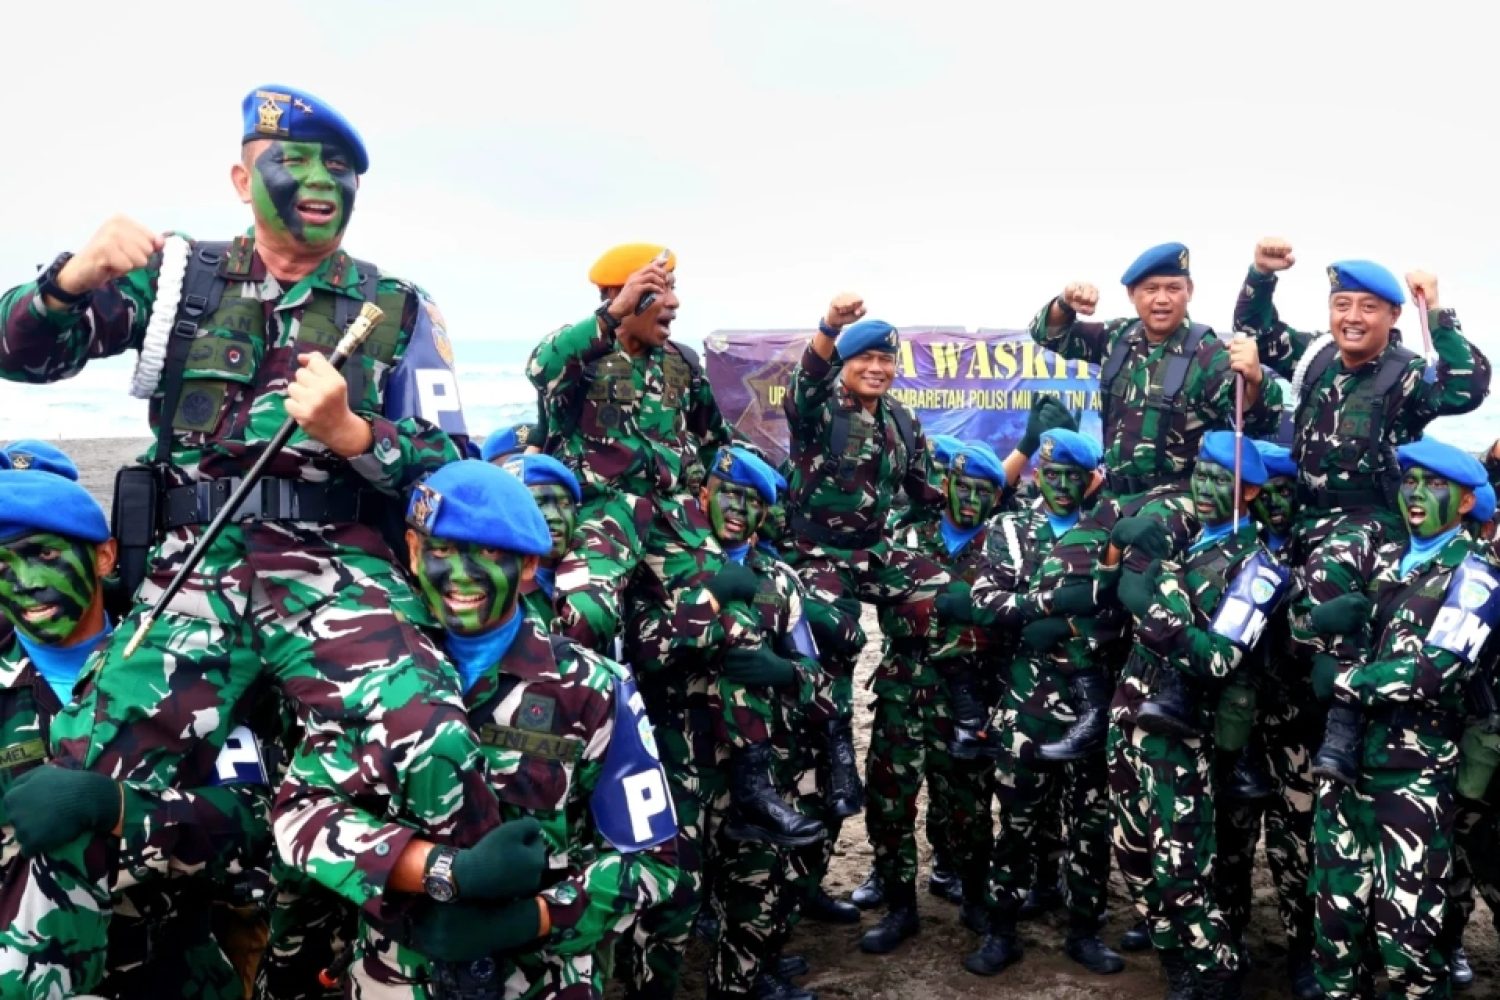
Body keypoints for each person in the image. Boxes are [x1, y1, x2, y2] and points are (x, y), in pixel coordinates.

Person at [0, 85, 497, 995]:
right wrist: (68, 279)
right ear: (241, 180)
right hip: (191, 571)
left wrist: (357, 434)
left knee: (433, 743)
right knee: (72, 780)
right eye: (291, 162)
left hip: (338, 573)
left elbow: (457, 472)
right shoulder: (177, 279)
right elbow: (23, 355)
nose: (320, 181)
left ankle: (417, 964)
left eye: (339, 167)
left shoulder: (398, 307)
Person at [289, 459, 679, 997]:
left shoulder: (593, 688)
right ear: (412, 551)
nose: (462, 573)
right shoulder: (366, 674)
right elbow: (302, 811)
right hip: (395, 976)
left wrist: (533, 918)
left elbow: (653, 861)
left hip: (540, 979)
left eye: (490, 553)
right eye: (442, 550)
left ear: (528, 565)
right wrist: (436, 869)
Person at [0, 449, 275, 999]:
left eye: (45, 554)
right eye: (2, 566)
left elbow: (257, 829)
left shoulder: (193, 668)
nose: (24, 582)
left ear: (104, 556)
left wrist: (123, 810)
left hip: (177, 974)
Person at [1231, 242, 1490, 783]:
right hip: (1303, 516)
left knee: (1331, 583)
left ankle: (1345, 721)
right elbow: (1257, 329)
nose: (1352, 317)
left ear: (1393, 316)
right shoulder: (1316, 359)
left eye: (1369, 307)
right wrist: (1261, 274)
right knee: (1244, 584)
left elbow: (1468, 386)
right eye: (1342, 304)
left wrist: (1437, 309)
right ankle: (1247, 731)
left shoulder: (1407, 374)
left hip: (1369, 524)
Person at [1304, 437, 1498, 999]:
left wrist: (1345, 680)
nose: (1417, 493)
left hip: (1412, 778)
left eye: (1435, 484)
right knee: (1335, 927)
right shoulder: (1380, 559)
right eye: (1410, 481)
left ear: (1466, 502)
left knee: (1408, 941)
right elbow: (1313, 626)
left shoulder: (1475, 576)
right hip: (1344, 769)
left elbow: (1437, 671)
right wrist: (1317, 627)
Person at [1108, 431, 1285, 1000]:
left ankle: (1218, 969)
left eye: (1221, 480)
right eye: (1201, 475)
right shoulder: (1179, 539)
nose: (1205, 488)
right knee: (1133, 858)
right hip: (1130, 718)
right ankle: (1178, 964)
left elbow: (1217, 659)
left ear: (1249, 492)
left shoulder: (1257, 569)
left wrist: (1156, 592)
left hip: (1184, 739)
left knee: (1180, 871)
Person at [949, 429, 1125, 978]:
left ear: (1091, 479)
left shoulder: (1109, 529)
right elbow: (984, 601)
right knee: (1017, 820)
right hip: (1027, 699)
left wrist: (1072, 625)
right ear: (1037, 476)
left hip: (1092, 700)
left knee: (1091, 823)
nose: (1062, 487)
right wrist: (1048, 606)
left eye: (1073, 477)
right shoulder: (1011, 528)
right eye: (1052, 476)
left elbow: (1122, 609)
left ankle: (1084, 930)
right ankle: (1002, 931)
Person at [526, 243, 733, 651]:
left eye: (674, 288)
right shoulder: (580, 353)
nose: (674, 302)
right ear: (618, 295)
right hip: (602, 517)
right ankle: (587, 686)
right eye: (659, 290)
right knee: (587, 616)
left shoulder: (683, 363)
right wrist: (612, 314)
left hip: (677, 519)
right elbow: (540, 369)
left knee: (729, 616)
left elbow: (714, 442)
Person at [855, 443, 1010, 956]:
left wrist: (937, 608)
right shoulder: (907, 535)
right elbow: (887, 602)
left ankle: (974, 896)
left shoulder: (1002, 545)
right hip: (902, 690)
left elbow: (1001, 619)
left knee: (968, 807)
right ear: (946, 485)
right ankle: (900, 906)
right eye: (963, 487)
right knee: (889, 803)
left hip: (967, 699)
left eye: (983, 491)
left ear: (995, 498)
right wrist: (951, 611)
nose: (970, 499)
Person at [1212, 439, 1323, 1000]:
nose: (1278, 504)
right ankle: (1228, 941)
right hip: (1236, 720)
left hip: (1294, 724)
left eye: (1287, 492)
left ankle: (1302, 950)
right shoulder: (1233, 545)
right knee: (1228, 837)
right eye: (1268, 493)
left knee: (1295, 841)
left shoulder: (1315, 549)